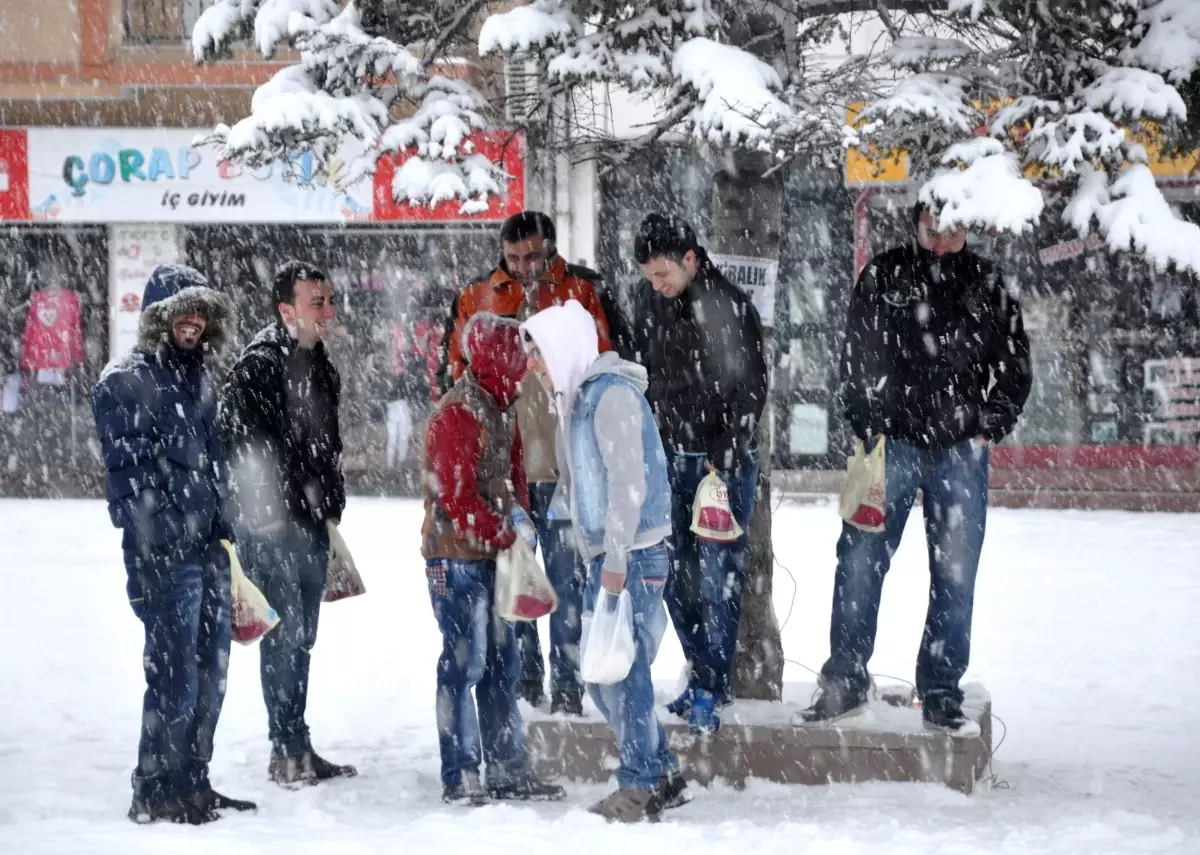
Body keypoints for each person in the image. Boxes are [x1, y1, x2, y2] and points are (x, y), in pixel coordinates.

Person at [799, 202, 1032, 732]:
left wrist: (988, 424)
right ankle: (845, 680)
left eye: (953, 231)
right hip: (888, 446)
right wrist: (866, 422)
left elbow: (1015, 364)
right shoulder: (884, 273)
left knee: (956, 575)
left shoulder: (986, 281)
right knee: (858, 563)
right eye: (933, 230)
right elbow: (855, 355)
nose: (943, 241)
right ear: (916, 223)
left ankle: (941, 689)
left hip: (960, 451)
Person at [442, 210, 624, 715]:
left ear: (550, 250)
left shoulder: (580, 292)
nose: (523, 267)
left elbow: (602, 360)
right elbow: (453, 374)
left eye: (533, 256)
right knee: (518, 578)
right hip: (506, 465)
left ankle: (566, 686)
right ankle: (525, 682)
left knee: (567, 583)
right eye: (514, 257)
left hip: (566, 464)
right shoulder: (476, 298)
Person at [93, 264, 255, 824]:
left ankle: (193, 780)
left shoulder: (204, 378)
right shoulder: (125, 379)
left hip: (208, 552)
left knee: (213, 671)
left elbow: (217, 465)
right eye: (182, 310)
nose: (193, 320)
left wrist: (223, 528)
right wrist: (165, 538)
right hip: (161, 557)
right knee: (174, 674)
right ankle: (155, 788)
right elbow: (129, 477)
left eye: (202, 311)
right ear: (158, 317)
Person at [521, 300, 691, 823]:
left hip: (633, 553)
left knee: (621, 673)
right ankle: (660, 769)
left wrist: (615, 555)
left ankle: (640, 783)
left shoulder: (610, 396)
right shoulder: (577, 399)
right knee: (603, 671)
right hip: (615, 554)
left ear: (565, 348)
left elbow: (627, 482)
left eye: (539, 352)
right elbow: (578, 484)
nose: (532, 364)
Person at [628, 213, 768, 735]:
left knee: (718, 580)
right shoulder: (646, 300)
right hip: (665, 459)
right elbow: (639, 372)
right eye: (649, 277)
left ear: (690, 260)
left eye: (663, 274)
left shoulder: (727, 304)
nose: (656, 286)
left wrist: (725, 451)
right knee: (673, 578)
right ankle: (702, 674)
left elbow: (750, 385)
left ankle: (712, 685)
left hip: (719, 463)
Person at [219, 260, 357, 785]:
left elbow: (328, 446)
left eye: (328, 301)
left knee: (303, 638)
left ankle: (296, 741)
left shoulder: (320, 363)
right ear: (285, 310)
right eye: (315, 303)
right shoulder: (259, 366)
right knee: (286, 637)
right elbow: (245, 450)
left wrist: (331, 507)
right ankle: (286, 750)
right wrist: (270, 513)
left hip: (311, 521)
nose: (327, 311)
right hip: (273, 526)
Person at [422, 311, 567, 806]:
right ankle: (459, 772)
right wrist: (503, 532)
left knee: (504, 664)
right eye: (517, 352)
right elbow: (456, 498)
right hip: (455, 559)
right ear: (493, 357)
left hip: (494, 554)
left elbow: (517, 471)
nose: (527, 362)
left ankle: (507, 769)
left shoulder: (504, 404)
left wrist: (520, 519)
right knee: (465, 666)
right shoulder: (458, 413)